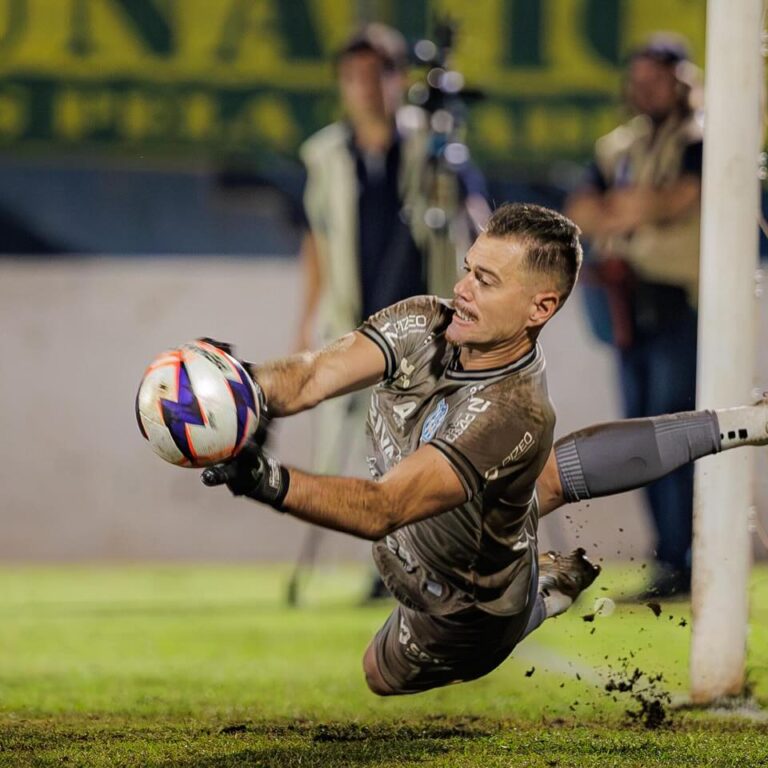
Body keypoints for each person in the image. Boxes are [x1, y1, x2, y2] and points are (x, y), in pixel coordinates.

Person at [201, 202, 767, 695]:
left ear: (539, 309)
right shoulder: (424, 320)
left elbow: (383, 509)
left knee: (379, 674)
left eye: (487, 281)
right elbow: (309, 377)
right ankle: (745, 423)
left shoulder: (513, 411)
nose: (463, 289)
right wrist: (236, 386)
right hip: (459, 522)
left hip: (464, 607)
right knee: (535, 483)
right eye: (468, 269)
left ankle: (541, 597)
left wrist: (261, 477)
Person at [294, 23, 488, 600]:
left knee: (432, 450)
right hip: (356, 326)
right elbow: (317, 241)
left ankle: (441, 564)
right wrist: (306, 324)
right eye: (353, 76)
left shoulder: (430, 144)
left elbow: (475, 217)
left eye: (378, 73)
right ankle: (389, 568)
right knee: (366, 453)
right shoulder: (326, 155)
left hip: (427, 328)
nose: (366, 87)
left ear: (399, 79)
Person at [565, 34, 704, 598]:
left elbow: (678, 200)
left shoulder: (701, 137)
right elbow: (579, 209)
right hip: (629, 298)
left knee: (676, 429)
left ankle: (687, 554)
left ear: (682, 80)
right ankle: (668, 555)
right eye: (640, 80)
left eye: (658, 79)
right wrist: (643, 204)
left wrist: (632, 206)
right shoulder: (619, 145)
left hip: (679, 297)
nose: (646, 91)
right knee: (640, 434)